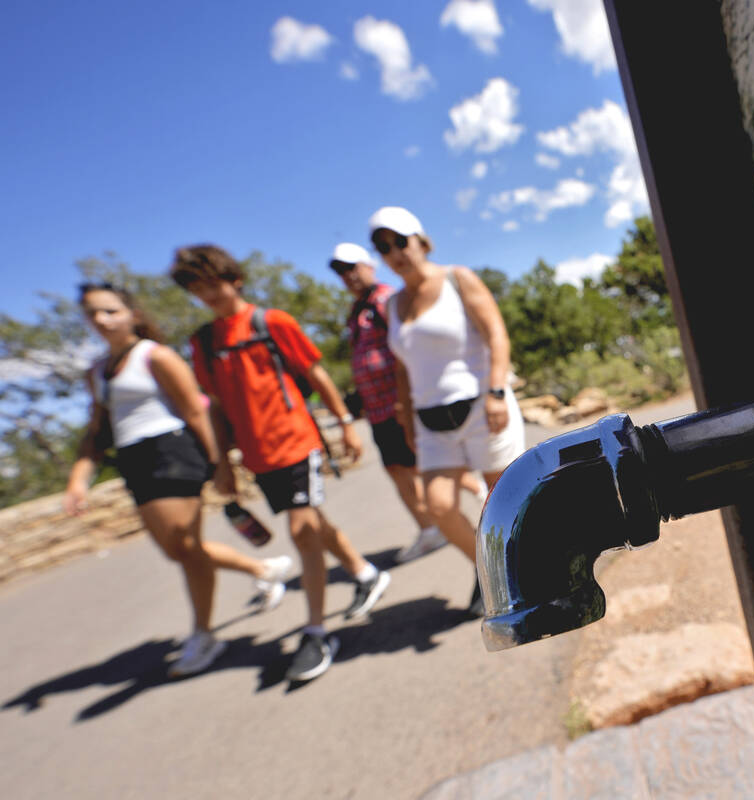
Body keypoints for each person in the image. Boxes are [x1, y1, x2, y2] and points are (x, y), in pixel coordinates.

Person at [169, 246, 389, 682]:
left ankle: (316, 631)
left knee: (301, 531)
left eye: (212, 282)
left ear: (234, 279)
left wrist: (345, 423)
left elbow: (316, 375)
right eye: (197, 287)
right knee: (311, 522)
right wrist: (223, 463)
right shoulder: (204, 343)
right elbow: (215, 407)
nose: (207, 293)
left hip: (296, 442)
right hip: (256, 457)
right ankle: (366, 574)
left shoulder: (272, 323)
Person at [65, 283, 292, 679]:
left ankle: (203, 635)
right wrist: (79, 478)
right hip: (133, 460)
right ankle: (263, 570)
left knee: (185, 548)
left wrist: (219, 465)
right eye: (93, 314)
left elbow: (195, 411)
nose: (101, 320)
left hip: (172, 450)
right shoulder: (96, 373)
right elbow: (97, 430)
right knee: (179, 549)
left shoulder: (157, 357)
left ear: (132, 314)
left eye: (110, 311)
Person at [368, 207, 526, 616]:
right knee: (438, 506)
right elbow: (403, 365)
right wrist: (404, 412)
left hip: (479, 407)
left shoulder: (458, 279)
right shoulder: (392, 305)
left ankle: (526, 570)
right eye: (383, 247)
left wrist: (495, 390)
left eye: (400, 241)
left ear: (421, 240)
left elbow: (495, 333)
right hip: (430, 421)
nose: (395, 253)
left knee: (503, 499)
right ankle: (491, 569)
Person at [328, 243, 484, 563]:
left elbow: (407, 352)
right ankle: (433, 527)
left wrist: (406, 402)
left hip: (401, 404)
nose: (349, 277)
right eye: (342, 272)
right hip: (378, 408)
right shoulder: (357, 311)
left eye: (352, 268)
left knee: (425, 469)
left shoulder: (388, 301)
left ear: (369, 265)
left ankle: (472, 505)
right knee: (400, 469)